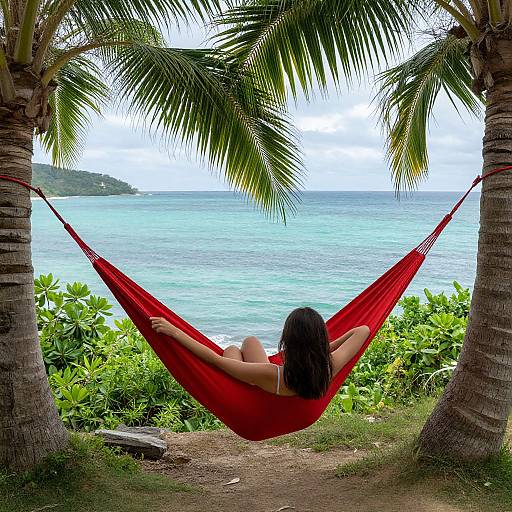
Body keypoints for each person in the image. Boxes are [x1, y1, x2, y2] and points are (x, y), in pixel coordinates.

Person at [150, 307, 370, 399]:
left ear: (287, 340)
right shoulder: (330, 366)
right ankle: (238, 352)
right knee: (251, 341)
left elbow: (214, 360)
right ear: (320, 339)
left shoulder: (271, 373)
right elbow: (362, 330)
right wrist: (322, 349)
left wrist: (175, 332)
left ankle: (234, 354)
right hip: (296, 370)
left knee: (231, 350)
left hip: (252, 388)